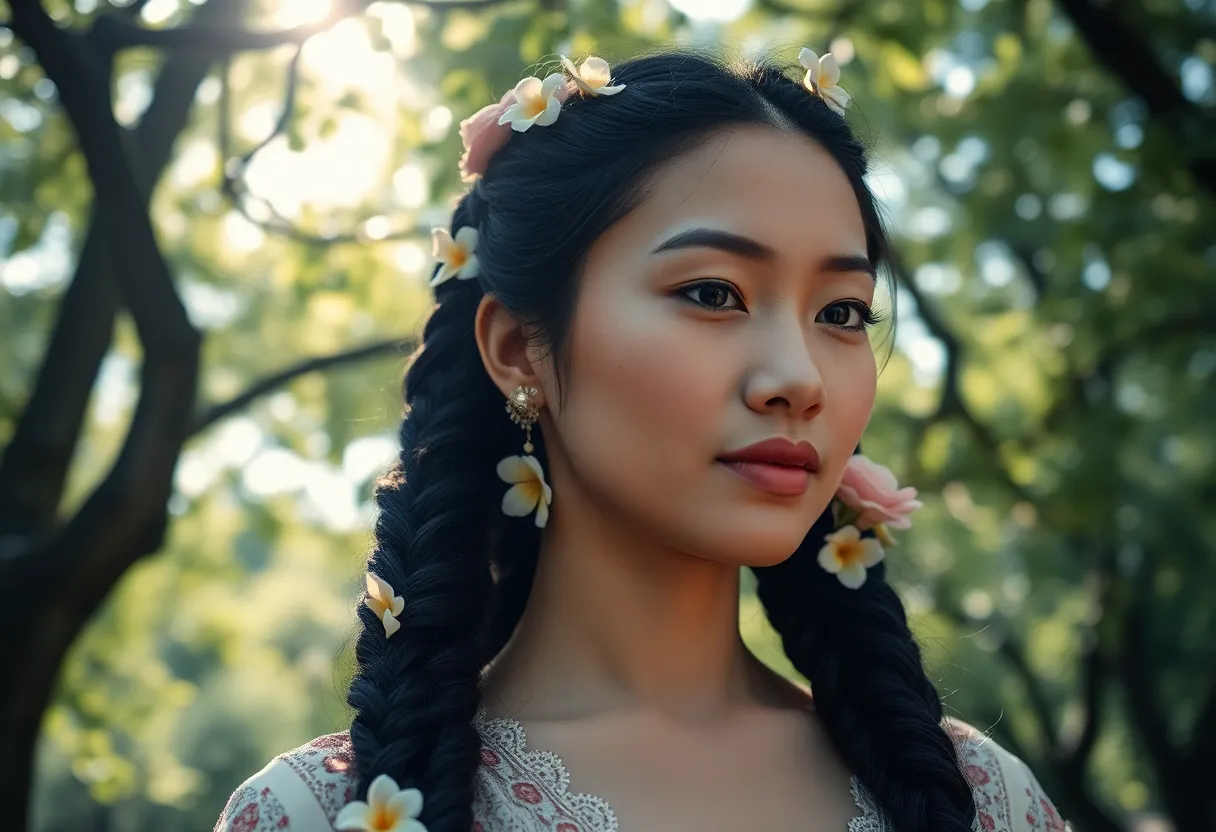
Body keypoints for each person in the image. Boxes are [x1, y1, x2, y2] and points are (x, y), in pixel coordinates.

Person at [214, 47, 1072, 832]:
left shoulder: (984, 801)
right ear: (517, 349)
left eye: (842, 312)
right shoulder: (315, 813)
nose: (801, 377)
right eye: (713, 293)